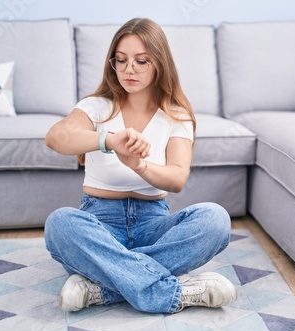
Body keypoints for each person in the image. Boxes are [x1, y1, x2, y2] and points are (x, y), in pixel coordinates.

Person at [44, 17, 237, 314]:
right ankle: (173, 290)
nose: (128, 69)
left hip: (154, 223)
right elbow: (57, 137)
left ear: (159, 63)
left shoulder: (176, 115)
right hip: (100, 223)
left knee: (216, 220)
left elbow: (177, 179)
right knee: (60, 224)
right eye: (120, 60)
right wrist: (109, 140)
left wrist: (138, 165)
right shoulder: (96, 106)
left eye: (141, 61)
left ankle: (103, 286)